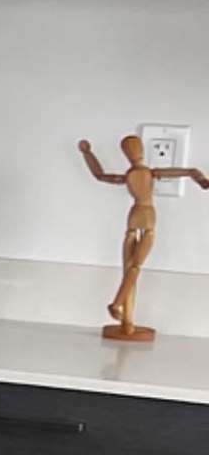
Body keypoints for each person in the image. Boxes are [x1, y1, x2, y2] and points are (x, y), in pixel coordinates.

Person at [79, 131, 206, 342]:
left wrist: (87, 153)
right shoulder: (151, 172)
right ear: (141, 152)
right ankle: (117, 304)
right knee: (136, 265)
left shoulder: (128, 176)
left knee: (129, 264)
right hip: (147, 215)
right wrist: (201, 180)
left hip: (133, 215)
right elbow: (190, 171)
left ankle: (121, 309)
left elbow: (99, 175)